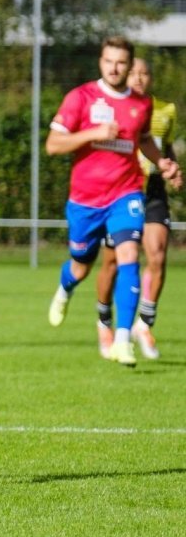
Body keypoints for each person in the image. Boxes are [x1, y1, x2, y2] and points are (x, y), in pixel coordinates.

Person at [45, 38, 179, 367]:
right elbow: (53, 144)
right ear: (101, 62)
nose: (114, 68)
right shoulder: (81, 97)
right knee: (80, 264)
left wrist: (161, 161)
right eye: (109, 61)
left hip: (127, 192)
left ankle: (122, 339)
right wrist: (93, 134)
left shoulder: (141, 104)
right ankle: (65, 289)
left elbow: (144, 139)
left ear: (129, 65)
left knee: (129, 255)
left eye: (121, 63)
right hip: (85, 199)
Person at [92, 57, 178, 360]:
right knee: (113, 264)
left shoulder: (165, 111)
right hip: (118, 190)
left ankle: (144, 323)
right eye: (134, 73)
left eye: (145, 73)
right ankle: (104, 319)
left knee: (157, 254)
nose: (139, 78)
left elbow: (164, 149)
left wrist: (171, 168)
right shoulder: (110, 108)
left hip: (152, 191)